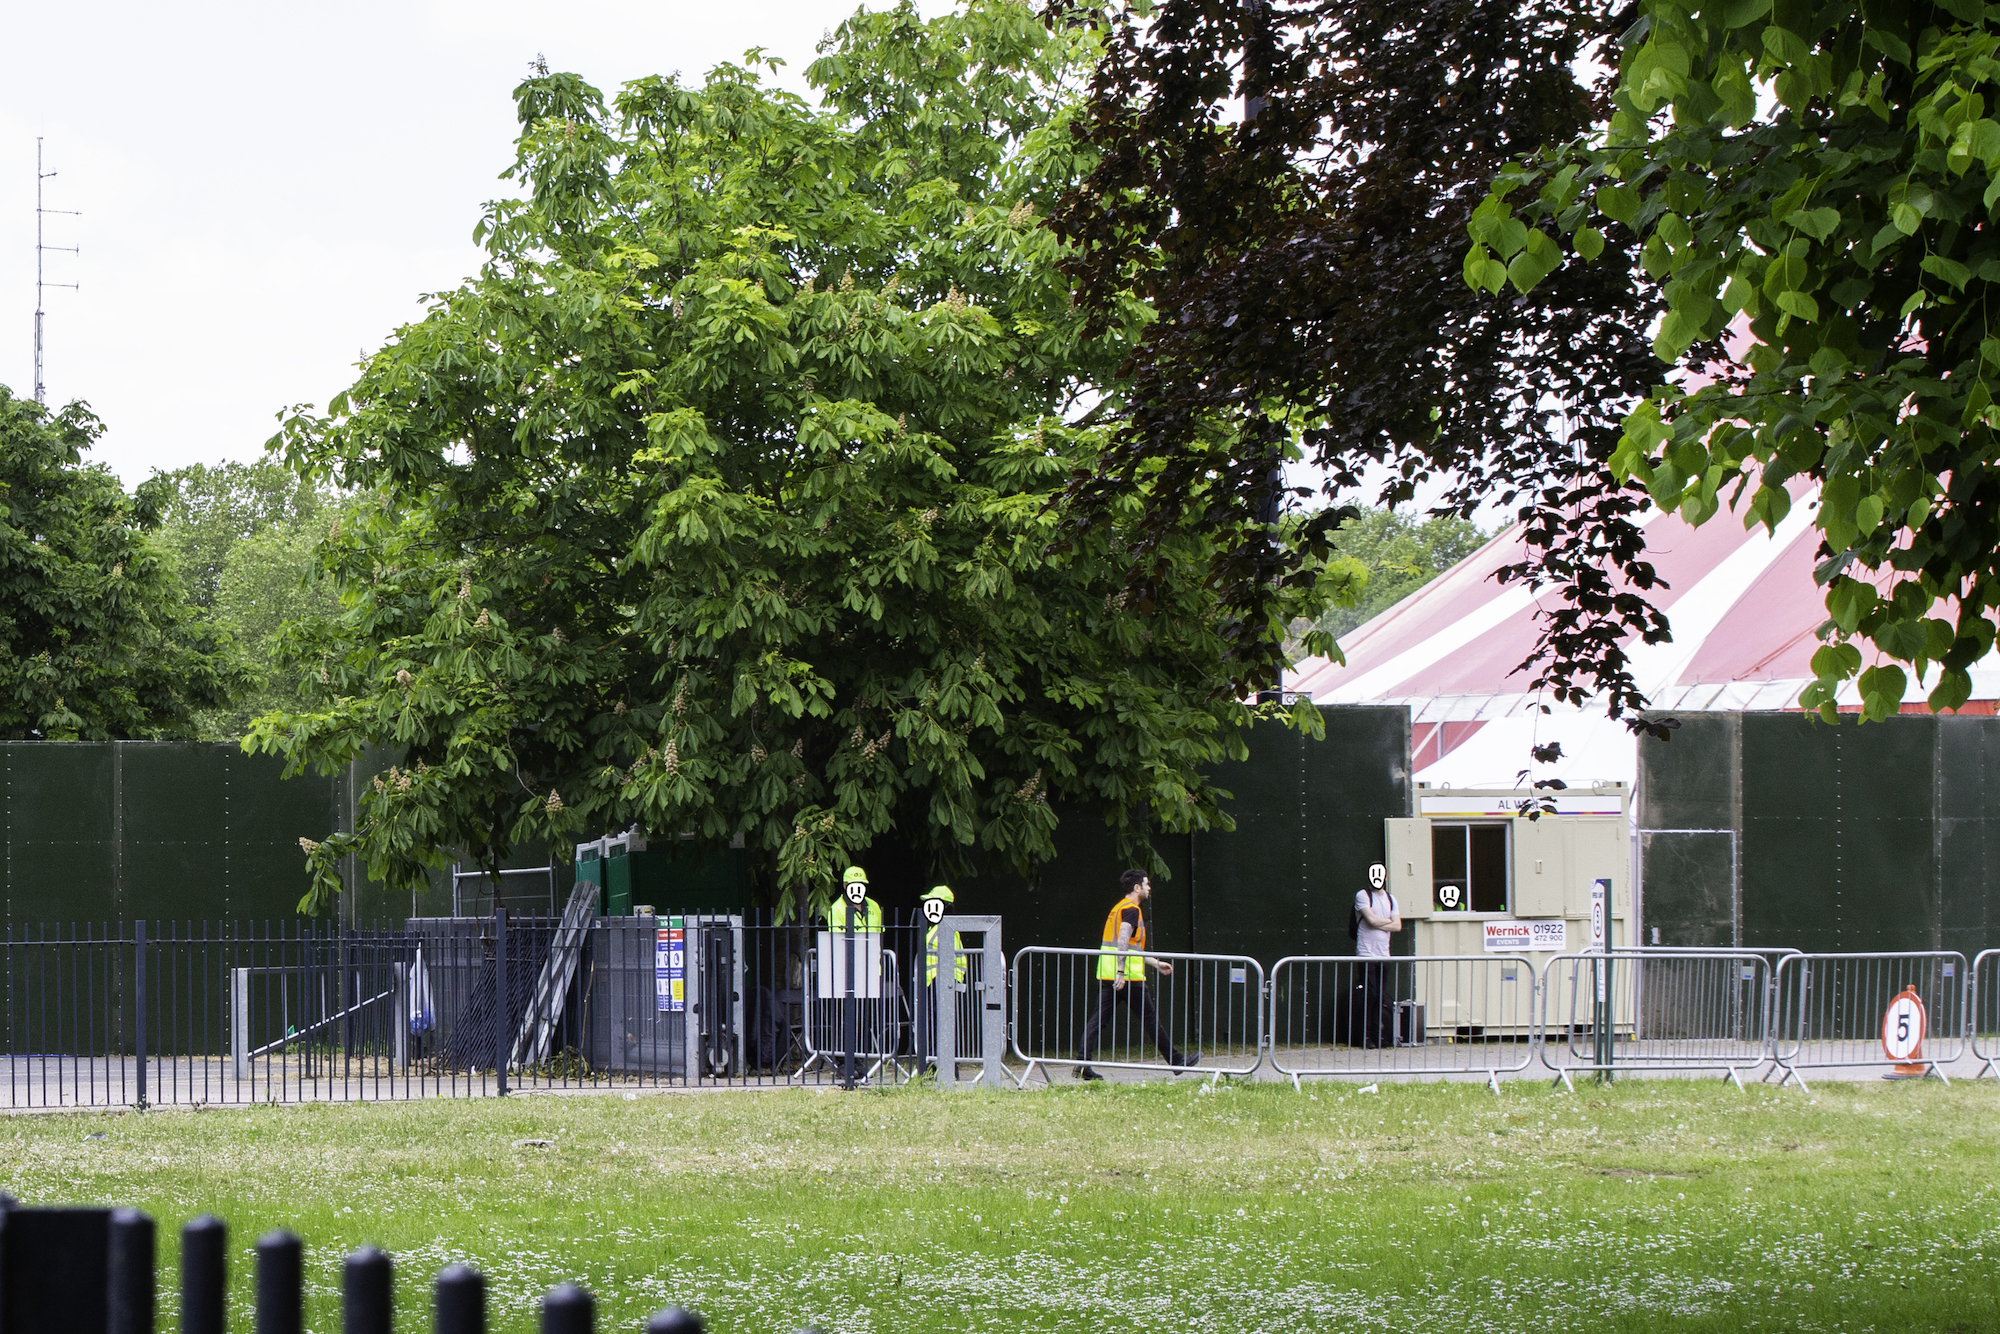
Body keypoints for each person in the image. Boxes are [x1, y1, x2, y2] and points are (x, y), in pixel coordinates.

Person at [1075, 869, 1199, 1080]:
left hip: (1110, 975)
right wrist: (1121, 972)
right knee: (1150, 1020)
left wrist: (1155, 963)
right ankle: (1176, 1061)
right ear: (1137, 888)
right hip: (1127, 978)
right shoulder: (1131, 910)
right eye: (1147, 884)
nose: (1150, 888)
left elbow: (1130, 947)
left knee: (1097, 1020)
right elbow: (1123, 941)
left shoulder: (1118, 908)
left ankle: (1081, 1064)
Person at [916, 884, 966, 1070]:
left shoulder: (944, 930)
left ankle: (942, 1064)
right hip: (938, 980)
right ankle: (939, 1063)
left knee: (939, 1025)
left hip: (941, 980)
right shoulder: (938, 928)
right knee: (937, 1024)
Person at [1353, 873, 1402, 1048]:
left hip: (1384, 954)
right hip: (1367, 954)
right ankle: (1364, 1037)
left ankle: (1377, 1036)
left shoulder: (1391, 899)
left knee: (1379, 996)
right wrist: (1388, 921)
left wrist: (1382, 922)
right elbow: (1371, 920)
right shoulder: (1363, 896)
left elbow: (1398, 926)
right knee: (1370, 994)